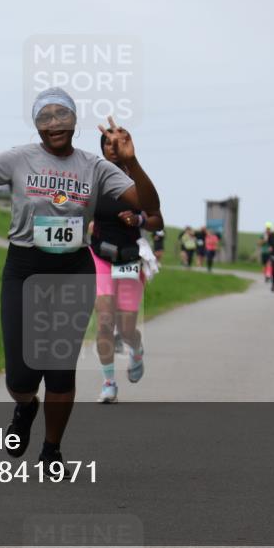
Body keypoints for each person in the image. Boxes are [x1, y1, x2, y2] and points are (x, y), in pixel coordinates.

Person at [0, 87, 160, 470]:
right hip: (24, 269)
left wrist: (133, 161)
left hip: (72, 270)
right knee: (22, 376)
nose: (54, 124)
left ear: (74, 121)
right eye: (46, 117)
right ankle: (25, 408)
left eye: (62, 116)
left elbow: (148, 206)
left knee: (60, 371)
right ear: (37, 125)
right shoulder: (17, 158)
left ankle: (51, 450)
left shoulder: (94, 166)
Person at [89, 132, 164, 403]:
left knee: (127, 328)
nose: (112, 147)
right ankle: (109, 383)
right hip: (100, 258)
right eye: (107, 143)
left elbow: (158, 220)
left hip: (130, 260)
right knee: (105, 322)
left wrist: (138, 219)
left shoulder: (136, 179)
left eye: (117, 142)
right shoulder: (93, 176)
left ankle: (136, 348)